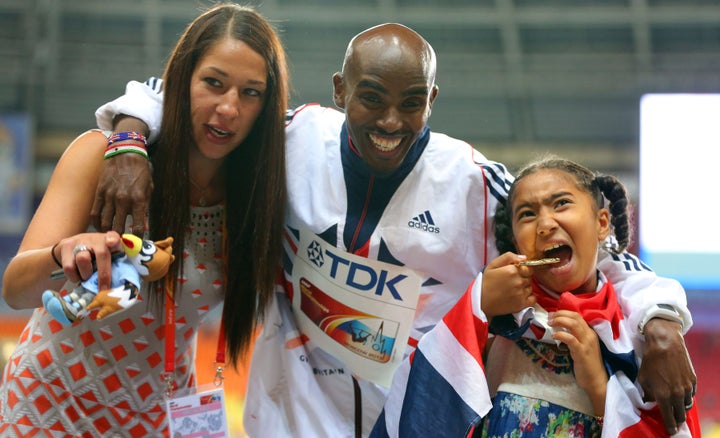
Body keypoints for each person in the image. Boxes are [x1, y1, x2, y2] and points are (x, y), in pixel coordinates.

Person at [92, 23, 695, 437]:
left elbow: (599, 255)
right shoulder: (292, 137)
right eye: (371, 98)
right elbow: (173, 98)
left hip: (414, 419)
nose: (389, 120)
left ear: (433, 99)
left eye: (411, 103)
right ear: (339, 91)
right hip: (289, 417)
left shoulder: (474, 184)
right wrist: (127, 141)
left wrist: (662, 325)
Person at [0, 4, 289, 436]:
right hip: (51, 404)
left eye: (251, 92)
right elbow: (15, 289)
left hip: (163, 415)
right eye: (213, 83)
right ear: (181, 81)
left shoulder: (259, 195)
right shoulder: (102, 157)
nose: (229, 107)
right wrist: (65, 254)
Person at [372, 156, 701, 437]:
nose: (545, 224)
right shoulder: (492, 319)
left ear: (602, 224)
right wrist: (479, 304)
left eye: (561, 204)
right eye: (527, 214)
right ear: (516, 241)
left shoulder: (641, 333)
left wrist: (599, 385)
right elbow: (421, 407)